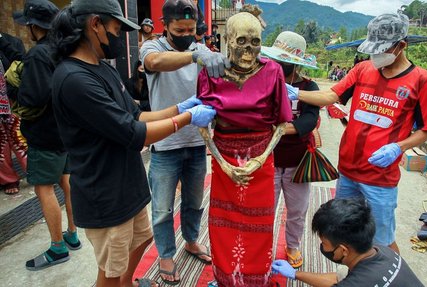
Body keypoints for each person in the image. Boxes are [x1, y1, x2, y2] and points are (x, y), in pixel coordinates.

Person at [49, 0, 216, 286]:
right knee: (110, 271)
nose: (120, 36)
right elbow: (134, 132)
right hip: (104, 191)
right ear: (95, 25)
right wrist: (188, 117)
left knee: (142, 238)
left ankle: (127, 284)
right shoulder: (74, 79)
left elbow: (138, 114)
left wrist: (179, 108)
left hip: (127, 183)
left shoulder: (104, 69)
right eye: (116, 28)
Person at [286, 12, 427, 253]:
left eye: (381, 49)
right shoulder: (363, 70)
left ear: (401, 46)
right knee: (347, 233)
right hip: (348, 171)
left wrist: (398, 147)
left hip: (380, 178)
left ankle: (390, 276)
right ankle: (358, 276)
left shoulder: (422, 81)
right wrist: (297, 93)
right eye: (373, 50)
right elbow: (331, 96)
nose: (375, 55)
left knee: (381, 240)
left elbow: (426, 130)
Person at [197, 11, 292, 287]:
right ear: (227, 41)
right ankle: (225, 278)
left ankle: (255, 279)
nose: (249, 50)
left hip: (260, 160)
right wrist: (225, 165)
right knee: (222, 223)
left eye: (255, 42)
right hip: (223, 156)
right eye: (241, 41)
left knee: (259, 226)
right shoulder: (210, 72)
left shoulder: (273, 72)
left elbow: (283, 123)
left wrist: (261, 160)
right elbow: (203, 125)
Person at [140, 0, 230, 284]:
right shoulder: (151, 48)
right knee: (163, 208)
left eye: (192, 29)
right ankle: (166, 253)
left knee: (193, 201)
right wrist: (195, 58)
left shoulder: (201, 49)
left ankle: (191, 240)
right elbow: (154, 64)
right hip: (164, 143)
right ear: (164, 26)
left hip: (195, 142)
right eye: (180, 29)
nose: (187, 35)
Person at [12, 0, 82, 271]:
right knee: (67, 183)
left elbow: (33, 97)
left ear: (33, 26)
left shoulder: (37, 55)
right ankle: (73, 233)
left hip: (44, 135)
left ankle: (57, 248)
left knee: (44, 188)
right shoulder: (63, 50)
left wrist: (15, 87)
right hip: (65, 132)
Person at [261, 31, 320, 268]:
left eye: (283, 62)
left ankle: (292, 246)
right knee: (265, 209)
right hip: (268, 160)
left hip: (298, 162)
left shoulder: (309, 86)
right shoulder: (264, 82)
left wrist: (281, 130)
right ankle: (262, 246)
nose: (278, 65)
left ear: (294, 63)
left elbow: (310, 119)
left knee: (296, 210)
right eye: (276, 60)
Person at [272, 198, 425, 287]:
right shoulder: (385, 252)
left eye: (324, 243)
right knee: (342, 272)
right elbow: (337, 279)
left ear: (343, 250)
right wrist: (295, 274)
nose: (322, 247)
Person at [0, 32, 27, 195]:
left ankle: (34, 171)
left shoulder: (11, 42)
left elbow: (23, 66)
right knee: (1, 142)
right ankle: (8, 179)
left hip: (11, 98)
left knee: (19, 136)